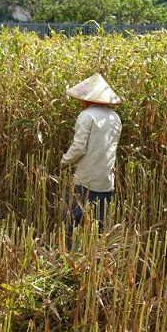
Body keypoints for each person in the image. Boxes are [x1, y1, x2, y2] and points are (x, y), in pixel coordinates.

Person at [60, 73, 122, 242]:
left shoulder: (87, 116)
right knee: (98, 227)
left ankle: (68, 256)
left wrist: (64, 161)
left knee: (71, 222)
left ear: (87, 99)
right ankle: (94, 260)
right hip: (105, 182)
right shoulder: (115, 117)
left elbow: (79, 148)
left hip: (85, 181)